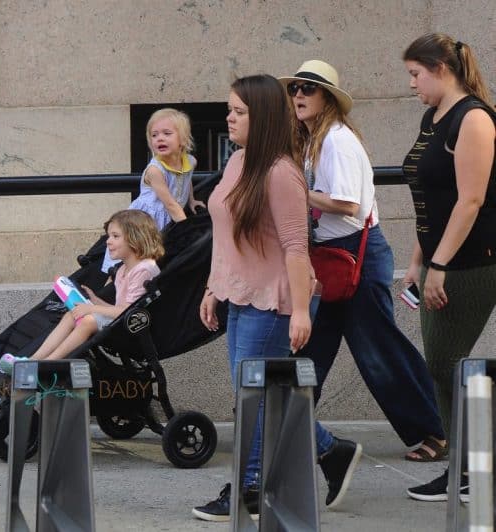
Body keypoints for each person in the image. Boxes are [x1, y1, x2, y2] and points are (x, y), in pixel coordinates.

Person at [192, 74, 362, 523]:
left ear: (262, 116)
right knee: (267, 396)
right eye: (229, 110)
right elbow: (224, 237)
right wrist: (213, 287)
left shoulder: (281, 172)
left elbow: (295, 246)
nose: (228, 118)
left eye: (239, 112)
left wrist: (302, 310)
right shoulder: (238, 162)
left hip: (275, 301)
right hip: (241, 295)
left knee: (252, 398)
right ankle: (331, 451)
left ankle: (248, 486)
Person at [278, 59, 447, 463]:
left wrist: (296, 192)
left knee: (379, 351)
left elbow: (348, 205)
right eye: (295, 89)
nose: (299, 95)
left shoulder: (336, 140)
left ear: (328, 99)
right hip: (335, 257)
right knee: (311, 347)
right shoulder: (313, 141)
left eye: (309, 89)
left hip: (356, 256)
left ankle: (435, 429)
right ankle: (283, 422)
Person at [400, 33, 496, 502]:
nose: (413, 84)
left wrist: (439, 263)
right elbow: (428, 199)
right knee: (441, 365)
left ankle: (472, 468)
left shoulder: (474, 118)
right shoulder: (432, 116)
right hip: (439, 258)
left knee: (443, 361)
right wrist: (418, 260)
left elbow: (471, 199)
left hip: (474, 260)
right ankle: (464, 469)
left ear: (441, 68)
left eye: (416, 74)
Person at [0, 209, 164, 373]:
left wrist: (91, 308)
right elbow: (121, 309)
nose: (108, 241)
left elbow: (128, 311)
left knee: (88, 320)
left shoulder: (144, 269)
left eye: (115, 236)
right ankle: (33, 360)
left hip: (135, 328)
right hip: (121, 322)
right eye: (108, 236)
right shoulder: (123, 270)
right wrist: (93, 299)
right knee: (73, 313)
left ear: (136, 237)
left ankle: (46, 364)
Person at [101, 108, 204, 273]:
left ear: (183, 139)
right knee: (134, 258)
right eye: (154, 135)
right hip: (147, 219)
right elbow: (170, 204)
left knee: (155, 262)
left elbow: (186, 178)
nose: (160, 138)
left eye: (167, 133)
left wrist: (191, 199)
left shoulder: (190, 161)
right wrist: (188, 229)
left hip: (169, 216)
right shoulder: (155, 170)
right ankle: (115, 288)